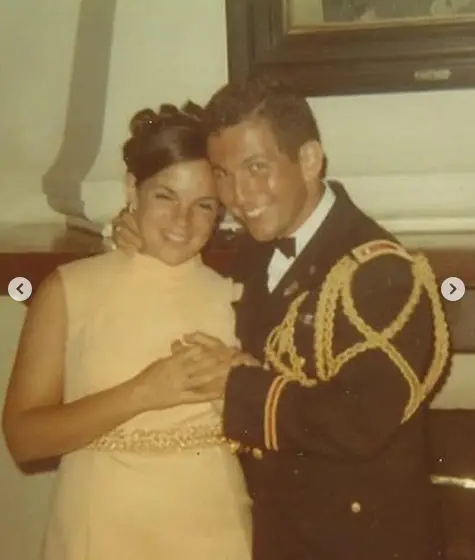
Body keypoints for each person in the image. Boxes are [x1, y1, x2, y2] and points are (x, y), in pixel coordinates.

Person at [113, 78, 452, 560]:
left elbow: (360, 421)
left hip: (364, 543)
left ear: (309, 160)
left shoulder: (381, 271)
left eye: (256, 168)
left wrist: (237, 383)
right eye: (223, 174)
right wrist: (132, 232)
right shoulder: (255, 250)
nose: (238, 194)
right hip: (281, 535)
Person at [2, 103, 253, 560]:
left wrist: (247, 376)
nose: (182, 222)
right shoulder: (69, 289)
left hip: (214, 530)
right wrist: (144, 392)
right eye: (164, 196)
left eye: (203, 205)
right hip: (100, 530)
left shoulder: (237, 293)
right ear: (131, 190)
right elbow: (23, 439)